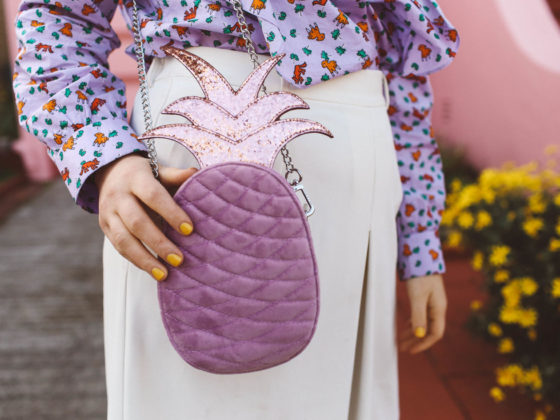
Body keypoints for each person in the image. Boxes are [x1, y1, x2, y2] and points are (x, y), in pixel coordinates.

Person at [12, 1, 460, 419]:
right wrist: (103, 153)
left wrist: (420, 242)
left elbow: (403, 62)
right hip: (195, 142)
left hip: (360, 144)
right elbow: (58, 17)